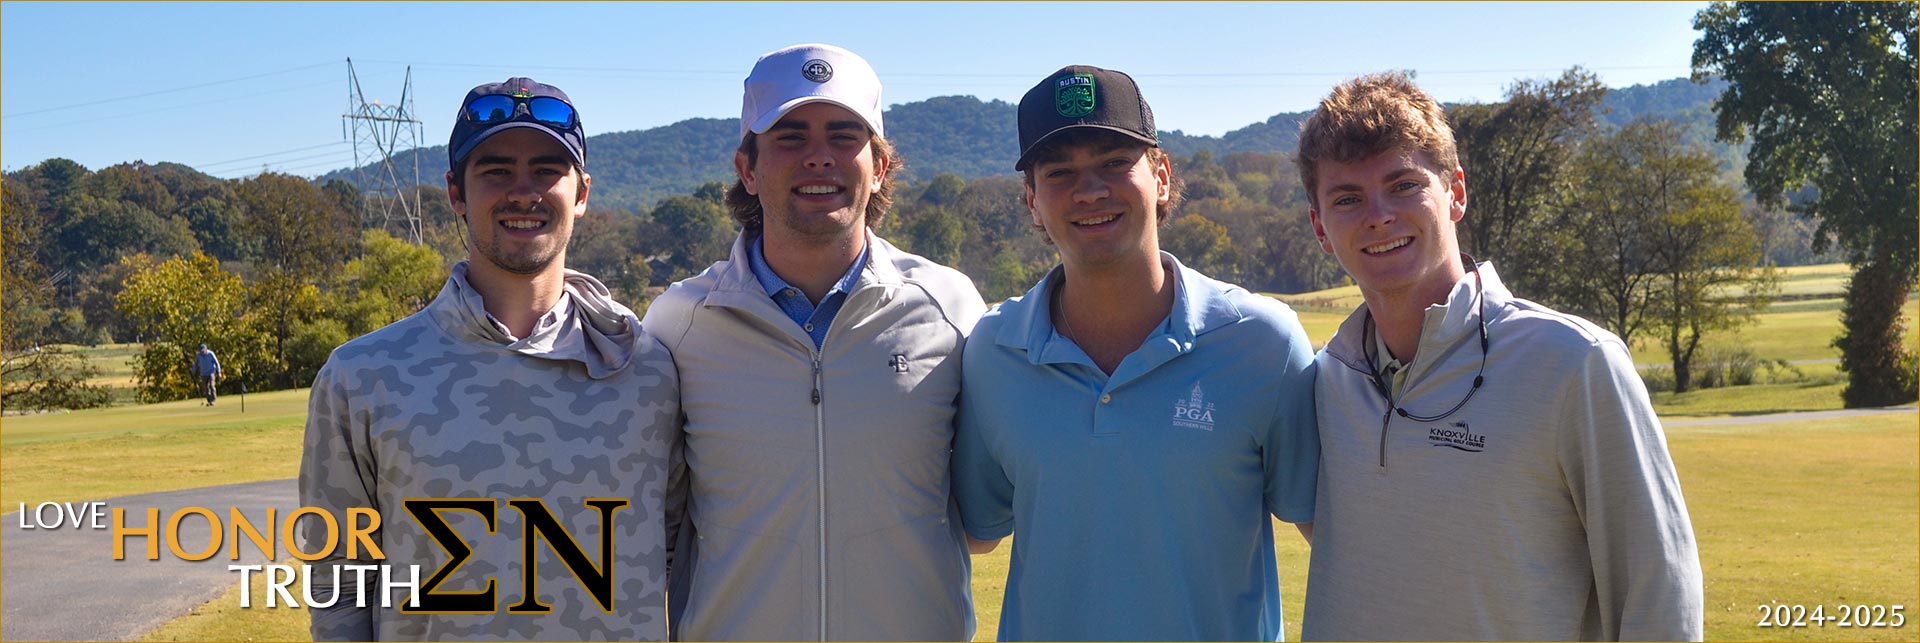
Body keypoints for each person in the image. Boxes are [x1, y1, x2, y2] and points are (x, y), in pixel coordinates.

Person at [1293, 71, 1703, 641]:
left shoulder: (1574, 362)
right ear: (1319, 226)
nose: (1378, 214)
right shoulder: (1323, 382)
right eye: (1347, 198)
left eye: (1405, 185)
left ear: (1456, 193)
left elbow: (1658, 594)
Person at [299, 77, 679, 641]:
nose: (523, 191)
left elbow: (680, 557)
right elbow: (340, 582)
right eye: (496, 170)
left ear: (581, 192)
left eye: (547, 170)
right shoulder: (362, 378)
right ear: (456, 192)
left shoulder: (646, 369)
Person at [950, 65, 1319, 641]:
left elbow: (1335, 536)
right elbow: (976, 531)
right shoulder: (994, 352)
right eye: (1059, 172)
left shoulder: (1262, 342)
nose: (1089, 190)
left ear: (1163, 174)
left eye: (1114, 163)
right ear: (1031, 201)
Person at [641, 43, 985, 641]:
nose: (819, 157)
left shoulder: (951, 308)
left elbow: (984, 522)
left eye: (845, 135)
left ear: (879, 165)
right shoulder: (679, 324)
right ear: (747, 168)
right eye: (791, 136)